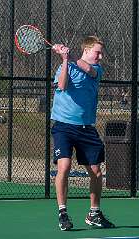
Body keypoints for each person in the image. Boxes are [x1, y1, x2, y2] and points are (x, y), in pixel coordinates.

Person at [50, 36, 114, 231]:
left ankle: (94, 213)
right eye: (97, 52)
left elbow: (88, 69)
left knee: (96, 172)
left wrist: (68, 56)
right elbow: (62, 86)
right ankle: (63, 213)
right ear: (86, 50)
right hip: (63, 126)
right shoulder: (64, 67)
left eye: (101, 53)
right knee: (65, 166)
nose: (101, 56)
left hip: (86, 128)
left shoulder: (97, 70)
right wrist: (64, 60)